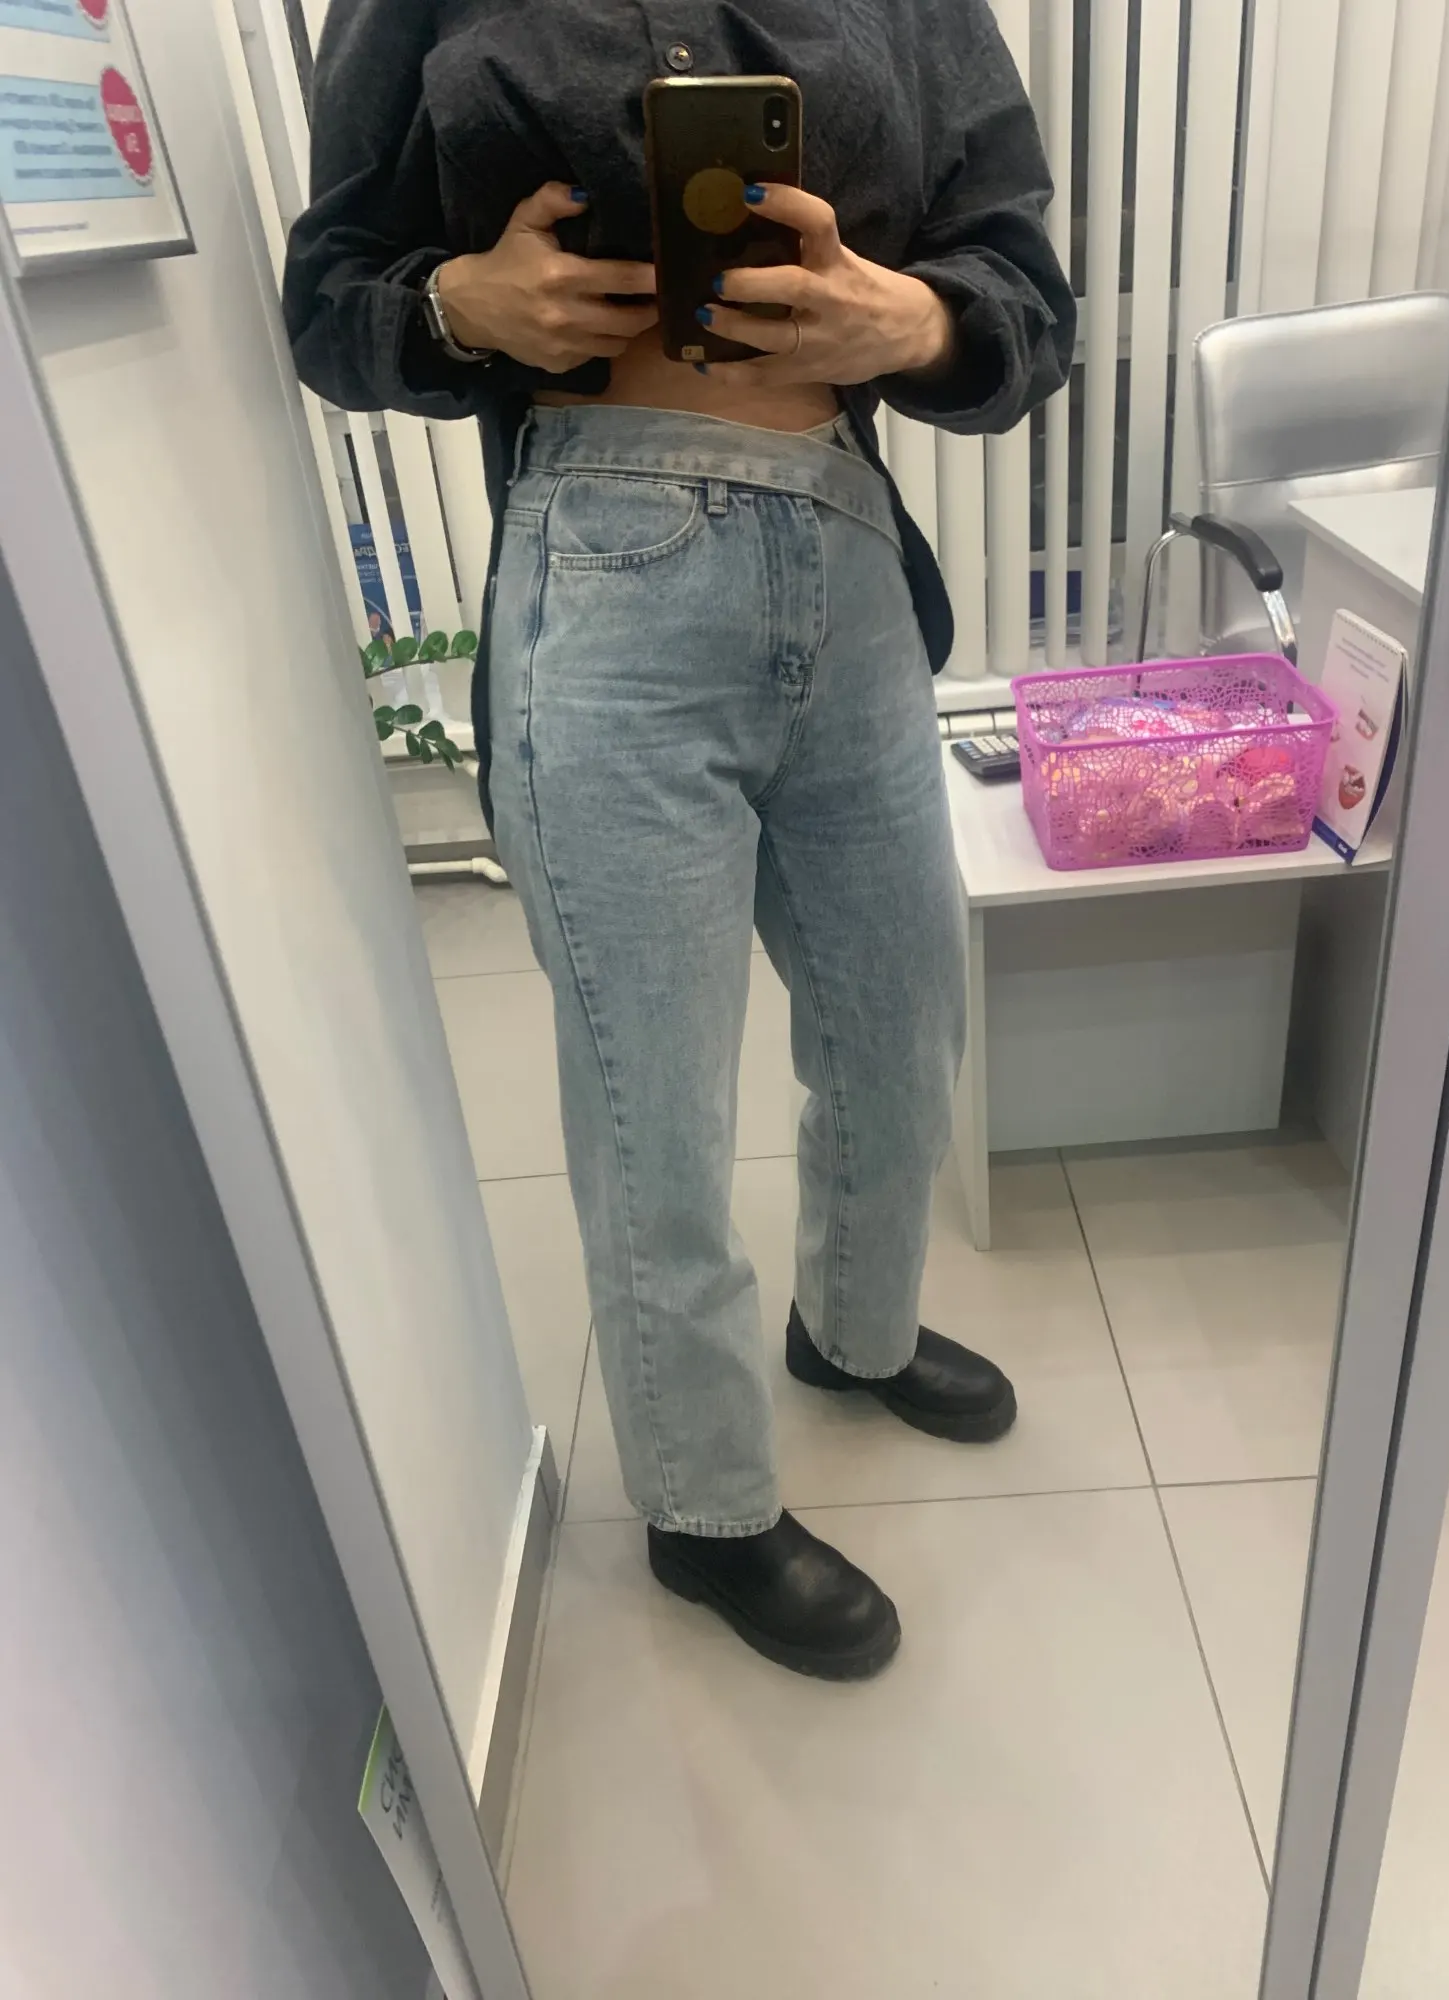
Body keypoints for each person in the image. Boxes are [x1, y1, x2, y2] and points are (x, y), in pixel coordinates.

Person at [285, 0, 1076, 1683]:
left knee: (902, 1025)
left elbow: (1022, 287)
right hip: (603, 555)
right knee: (656, 1097)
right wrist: (458, 304)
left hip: (850, 555)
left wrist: (917, 319)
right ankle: (703, 1509)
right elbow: (329, 296)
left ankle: (851, 1331)